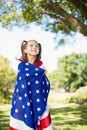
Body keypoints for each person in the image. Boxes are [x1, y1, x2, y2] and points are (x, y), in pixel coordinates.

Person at [9, 40, 53, 130]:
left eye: (37, 46)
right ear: (25, 50)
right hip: (23, 100)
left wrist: (41, 72)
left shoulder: (41, 67)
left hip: (39, 99)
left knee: (40, 123)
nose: (34, 47)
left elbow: (42, 85)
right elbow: (21, 84)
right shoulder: (21, 66)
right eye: (31, 45)